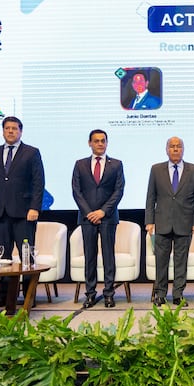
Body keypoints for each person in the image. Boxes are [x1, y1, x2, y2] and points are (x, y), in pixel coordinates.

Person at [0, 116, 45, 310]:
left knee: (26, 258)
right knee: (1, 257)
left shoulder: (31, 153)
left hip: (24, 214)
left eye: (14, 129)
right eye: (7, 128)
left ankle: (28, 297)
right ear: (3, 131)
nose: (10, 131)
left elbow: (38, 183)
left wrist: (35, 208)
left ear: (20, 131)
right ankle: (3, 296)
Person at [145, 136, 194, 306]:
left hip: (185, 223)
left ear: (183, 149)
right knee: (161, 261)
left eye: (179, 146)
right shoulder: (156, 169)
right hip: (162, 222)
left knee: (181, 261)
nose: (176, 149)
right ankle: (160, 294)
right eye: (172, 146)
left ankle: (178, 294)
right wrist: (149, 220)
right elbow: (151, 197)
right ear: (167, 150)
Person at [72, 129, 125, 309]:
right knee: (90, 256)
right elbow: (76, 191)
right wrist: (89, 213)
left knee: (108, 256)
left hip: (108, 217)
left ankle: (109, 294)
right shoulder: (80, 164)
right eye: (96, 141)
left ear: (107, 143)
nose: (100, 144)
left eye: (103, 141)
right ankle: (90, 294)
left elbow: (119, 191)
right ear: (90, 143)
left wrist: (102, 211)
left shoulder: (116, 164)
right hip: (87, 219)